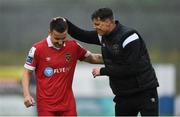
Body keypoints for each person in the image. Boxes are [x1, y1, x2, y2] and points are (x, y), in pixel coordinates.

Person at [65, 8, 159, 116]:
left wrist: (103, 71)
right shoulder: (103, 36)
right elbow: (83, 35)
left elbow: (130, 68)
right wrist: (66, 23)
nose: (95, 27)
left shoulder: (130, 37)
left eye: (97, 24)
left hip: (144, 91)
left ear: (108, 22)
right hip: (123, 94)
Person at [22, 17, 103, 116]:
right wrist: (26, 95)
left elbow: (93, 58)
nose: (60, 42)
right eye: (57, 38)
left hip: (68, 105)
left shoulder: (73, 46)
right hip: (46, 106)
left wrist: (116, 58)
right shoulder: (37, 49)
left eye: (63, 38)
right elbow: (27, 72)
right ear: (50, 32)